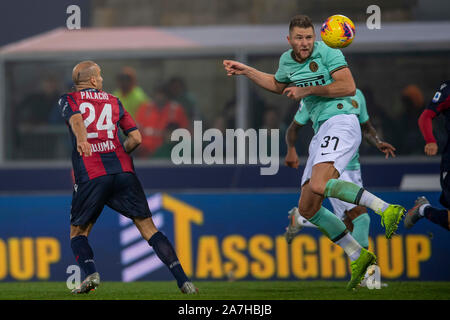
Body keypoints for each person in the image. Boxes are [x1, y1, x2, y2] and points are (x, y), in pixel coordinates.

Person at [223, 14, 405, 290]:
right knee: (308, 207)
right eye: (299, 38)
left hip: (342, 122)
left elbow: (348, 86)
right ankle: (359, 256)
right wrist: (247, 70)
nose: (305, 42)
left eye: (309, 37)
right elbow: (277, 84)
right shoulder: (286, 61)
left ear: (315, 37)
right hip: (323, 131)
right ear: (289, 40)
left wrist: (306, 89)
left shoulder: (329, 51)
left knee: (323, 187)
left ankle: (387, 209)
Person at [58, 61, 197, 294]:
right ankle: (184, 281)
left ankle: (91, 274)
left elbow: (76, 120)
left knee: (78, 233)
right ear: (92, 80)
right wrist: (118, 152)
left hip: (92, 174)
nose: (102, 80)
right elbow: (136, 139)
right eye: (100, 76)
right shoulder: (114, 101)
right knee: (148, 228)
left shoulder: (68, 99)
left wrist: (83, 140)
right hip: (124, 172)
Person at [284, 88, 396, 263]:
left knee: (347, 224)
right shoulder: (312, 96)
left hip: (353, 165)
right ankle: (367, 273)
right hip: (332, 162)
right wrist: (291, 150)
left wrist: (378, 142)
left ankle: (301, 218)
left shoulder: (357, 94)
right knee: (361, 218)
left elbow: (366, 127)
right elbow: (293, 128)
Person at [405, 80, 450, 231]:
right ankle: (423, 209)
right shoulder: (448, 90)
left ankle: (423, 209)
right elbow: (425, 117)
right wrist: (430, 141)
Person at [135, 85, 190, 158]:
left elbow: (185, 134)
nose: (160, 97)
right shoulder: (144, 108)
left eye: (163, 94)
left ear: (168, 95)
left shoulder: (177, 110)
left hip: (167, 155)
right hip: (144, 154)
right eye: (158, 94)